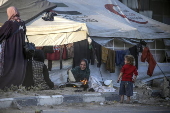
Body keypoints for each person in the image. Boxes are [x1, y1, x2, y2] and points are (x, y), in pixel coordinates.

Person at [0, 6, 27, 89]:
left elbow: (1, 34)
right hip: (20, 50)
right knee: (18, 67)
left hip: (10, 49)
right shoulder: (22, 23)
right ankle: (16, 85)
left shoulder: (9, 23)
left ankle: (5, 85)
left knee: (8, 66)